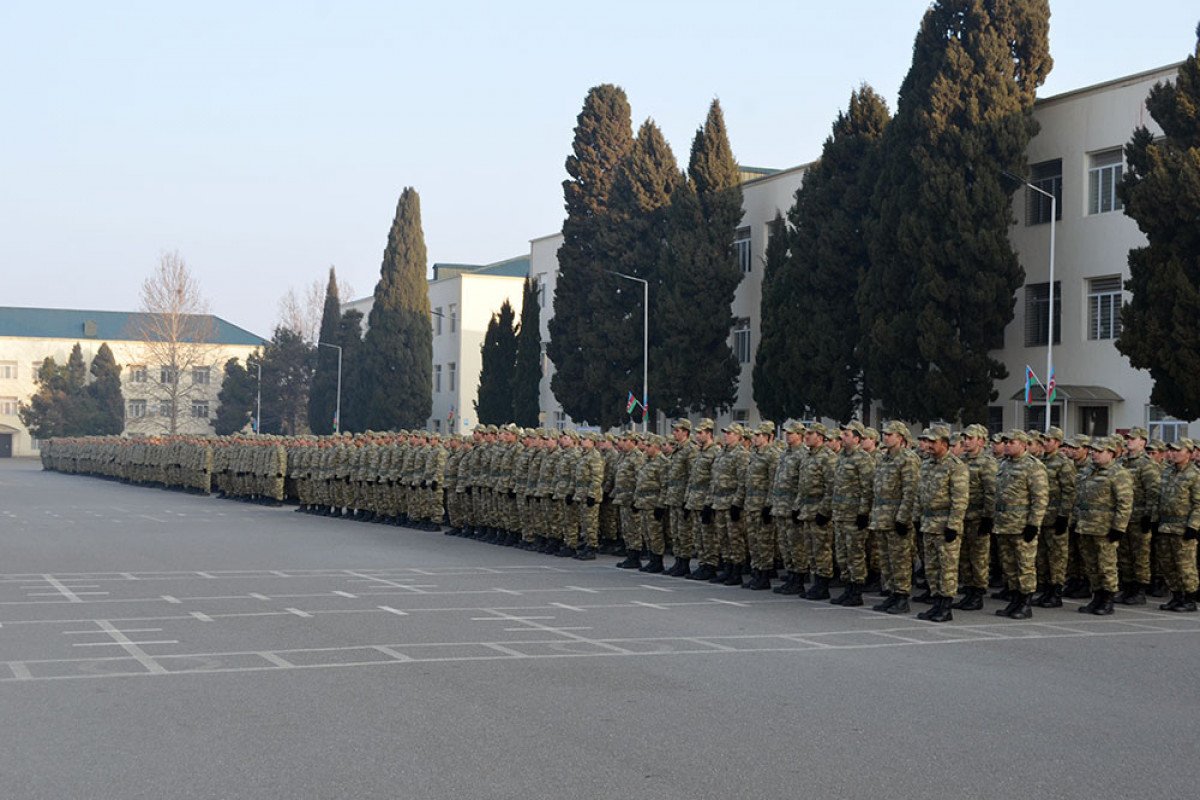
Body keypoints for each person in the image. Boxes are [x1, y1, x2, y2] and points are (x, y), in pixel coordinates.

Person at [1073, 436, 1134, 615]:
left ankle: (1108, 599)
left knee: (1106, 565)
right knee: (1091, 565)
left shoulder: (1119, 473)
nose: (1094, 454)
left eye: (1099, 451)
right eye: (1093, 451)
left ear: (1111, 453)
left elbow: (1124, 503)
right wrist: (1076, 521)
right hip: (1086, 526)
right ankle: (1097, 596)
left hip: (1105, 529)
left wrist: (1119, 528)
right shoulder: (1087, 471)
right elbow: (1079, 499)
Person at [993, 430, 1049, 619]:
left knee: (1025, 565)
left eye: (1011, 441)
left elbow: (1040, 498)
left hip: (1022, 526)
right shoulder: (1004, 464)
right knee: (1009, 565)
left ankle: (1025, 603)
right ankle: (1014, 599)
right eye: (1006, 441)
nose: (1007, 444)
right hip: (1003, 525)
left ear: (1024, 444)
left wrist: (1033, 524)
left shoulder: (1033, 466)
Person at [915, 425, 969, 622]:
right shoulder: (927, 465)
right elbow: (920, 495)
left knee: (947, 568)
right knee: (931, 567)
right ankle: (936, 603)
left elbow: (960, 499)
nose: (928, 445)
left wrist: (953, 525)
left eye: (932, 442)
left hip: (945, 525)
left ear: (944, 444)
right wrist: (916, 518)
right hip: (928, 524)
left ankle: (946, 607)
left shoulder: (955, 466)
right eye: (927, 442)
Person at [869, 421, 920, 614]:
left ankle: (902, 596)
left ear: (900, 437)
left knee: (900, 559)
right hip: (881, 517)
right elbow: (877, 490)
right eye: (885, 434)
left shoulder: (908, 459)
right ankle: (890, 592)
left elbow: (911, 491)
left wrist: (903, 518)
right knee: (885, 559)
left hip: (896, 518)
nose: (885, 437)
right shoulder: (884, 459)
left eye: (890, 434)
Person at [829, 421, 876, 607]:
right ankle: (847, 587)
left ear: (857, 438)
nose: (842, 437)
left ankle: (856, 591)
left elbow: (868, 488)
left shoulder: (863, 459)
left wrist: (864, 512)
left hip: (854, 515)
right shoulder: (841, 457)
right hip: (840, 514)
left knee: (855, 554)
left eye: (847, 434)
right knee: (842, 554)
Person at [952, 424, 997, 611]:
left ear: (981, 441)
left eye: (971, 438)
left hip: (978, 518)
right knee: (963, 557)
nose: (966, 442)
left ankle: (978, 593)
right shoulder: (960, 461)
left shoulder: (987, 463)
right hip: (962, 517)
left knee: (978, 557)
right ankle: (969, 590)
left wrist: (988, 517)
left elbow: (991, 492)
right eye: (965, 439)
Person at [1152, 438, 1200, 612]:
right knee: (1167, 563)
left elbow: (1198, 504)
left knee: (1185, 565)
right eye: (1171, 450)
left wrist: (1193, 526)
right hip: (1165, 526)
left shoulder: (1195, 475)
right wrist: (1154, 520)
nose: (1172, 453)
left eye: (1177, 450)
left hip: (1183, 528)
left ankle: (1189, 599)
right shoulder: (1166, 472)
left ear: (1189, 453)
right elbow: (1159, 499)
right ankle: (1176, 595)